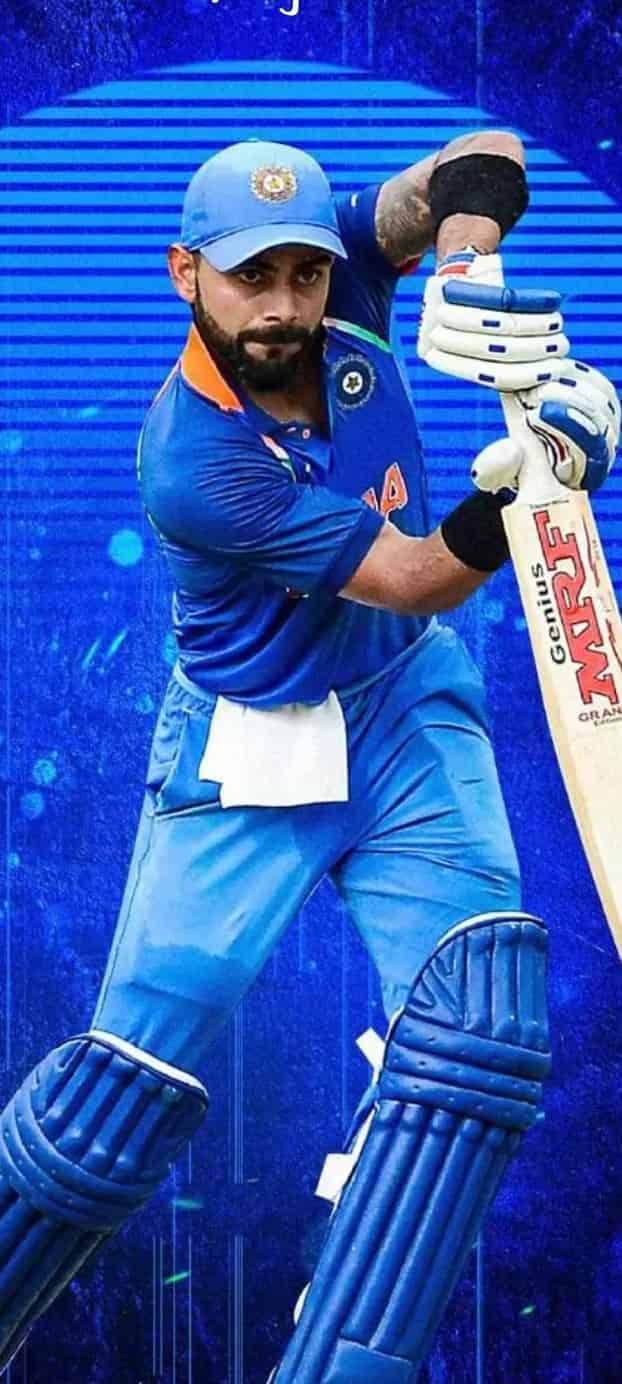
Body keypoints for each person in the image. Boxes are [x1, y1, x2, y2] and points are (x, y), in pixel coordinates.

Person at [0, 134, 618, 1382]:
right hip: (250, 749)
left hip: (404, 708)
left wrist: (467, 269)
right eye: (250, 279)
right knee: (112, 1111)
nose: (284, 306)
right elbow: (416, 573)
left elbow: (477, 157)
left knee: (479, 1038)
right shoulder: (191, 457)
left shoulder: (344, 279)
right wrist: (537, 485)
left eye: (304, 273)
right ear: (186, 273)